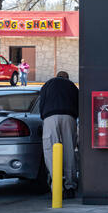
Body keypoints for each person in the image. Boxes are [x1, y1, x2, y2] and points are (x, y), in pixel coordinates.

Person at [39, 71, 79, 199]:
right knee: (69, 151)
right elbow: (78, 103)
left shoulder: (47, 84)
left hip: (50, 117)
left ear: (56, 76)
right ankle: (70, 186)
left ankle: (56, 187)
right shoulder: (72, 85)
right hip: (69, 117)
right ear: (67, 77)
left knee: (50, 151)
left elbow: (42, 103)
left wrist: (44, 117)